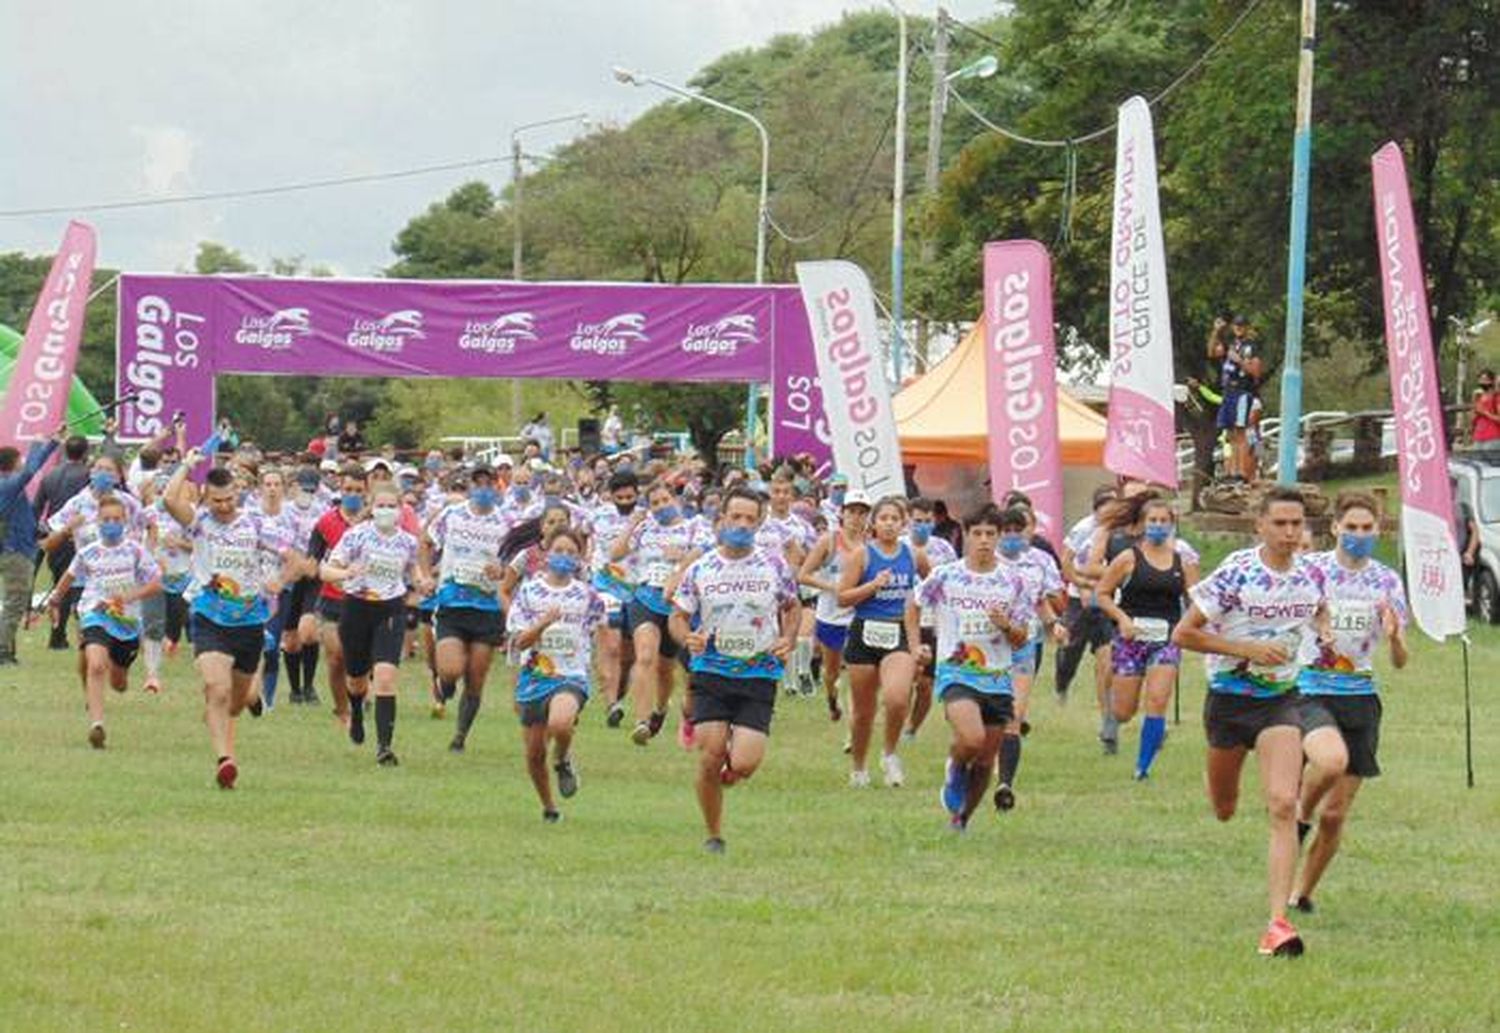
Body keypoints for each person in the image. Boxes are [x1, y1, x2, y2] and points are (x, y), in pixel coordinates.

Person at [1173, 487, 1329, 957]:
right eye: (1279, 524)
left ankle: (1277, 924)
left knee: (1283, 805)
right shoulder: (1237, 573)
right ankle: (1220, 783)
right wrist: (1246, 650)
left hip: (1280, 701)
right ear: (1259, 525)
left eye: (1296, 524)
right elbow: (1185, 634)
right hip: (1228, 700)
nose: (1288, 532)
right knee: (1224, 806)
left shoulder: (1312, 574)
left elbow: (1318, 606)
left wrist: (1322, 628)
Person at [1290, 491, 1408, 913]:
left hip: (1360, 697)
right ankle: (1299, 815)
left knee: (1337, 814)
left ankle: (1302, 892)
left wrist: (1395, 637)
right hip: (1310, 690)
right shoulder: (1311, 570)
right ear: (1336, 527)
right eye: (1352, 527)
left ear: (1378, 530)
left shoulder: (1387, 581)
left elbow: (1399, 661)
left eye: (1367, 528)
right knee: (1328, 761)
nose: (1359, 535)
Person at [669, 487, 801, 853]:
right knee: (711, 754)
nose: (742, 525)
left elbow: (792, 607)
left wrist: (788, 638)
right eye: (736, 517)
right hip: (711, 672)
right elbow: (677, 616)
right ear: (722, 520)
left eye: (749, 519)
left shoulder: (773, 566)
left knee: (743, 763)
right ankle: (714, 834)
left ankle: (725, 774)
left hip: (759, 674)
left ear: (759, 523)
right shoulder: (701, 568)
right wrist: (687, 637)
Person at [164, 454, 297, 789]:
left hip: (249, 621)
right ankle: (225, 760)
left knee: (235, 702)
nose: (222, 507)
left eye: (228, 500)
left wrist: (279, 582)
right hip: (209, 616)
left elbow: (294, 559)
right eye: (216, 500)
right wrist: (186, 465)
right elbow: (168, 500)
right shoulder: (199, 522)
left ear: (237, 495)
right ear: (206, 498)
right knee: (215, 689)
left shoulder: (255, 526)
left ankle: (252, 697)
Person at [910, 504, 1040, 830]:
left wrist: (1006, 625)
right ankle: (955, 768)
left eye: (990, 534)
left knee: (985, 760)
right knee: (971, 739)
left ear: (998, 537)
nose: (984, 540)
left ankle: (961, 818)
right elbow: (913, 605)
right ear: (965, 536)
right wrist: (915, 646)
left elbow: (1022, 638)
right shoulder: (947, 575)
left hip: (997, 678)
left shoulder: (1014, 581)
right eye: (977, 533)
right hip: (957, 671)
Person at [321, 484, 428, 766]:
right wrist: (345, 572)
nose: (386, 511)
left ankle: (384, 747)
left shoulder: (408, 541)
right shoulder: (356, 535)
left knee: (384, 677)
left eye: (392, 506)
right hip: (356, 607)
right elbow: (326, 570)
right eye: (380, 505)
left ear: (400, 509)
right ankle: (356, 709)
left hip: (390, 608)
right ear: (371, 506)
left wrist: (420, 580)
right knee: (356, 679)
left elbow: (413, 567)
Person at [1094, 496, 1200, 780]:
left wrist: (1195, 627)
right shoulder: (1128, 558)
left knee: (1157, 700)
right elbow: (1101, 594)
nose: (1157, 526)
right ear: (1142, 524)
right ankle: (1111, 717)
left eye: (1163, 521)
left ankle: (1142, 768)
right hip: (1130, 640)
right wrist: (1122, 619)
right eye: (1152, 521)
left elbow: (1196, 599)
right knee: (1124, 710)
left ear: (1172, 525)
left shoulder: (1183, 561)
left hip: (1166, 639)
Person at [46, 494, 163, 748]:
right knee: (96, 664)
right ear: (98, 522)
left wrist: (130, 595)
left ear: (125, 521)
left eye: (116, 519)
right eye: (106, 519)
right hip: (95, 613)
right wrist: (54, 600)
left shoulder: (135, 551)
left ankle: (118, 670)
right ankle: (97, 725)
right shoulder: (89, 552)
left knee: (118, 683)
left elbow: (156, 583)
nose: (111, 523)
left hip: (127, 622)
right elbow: (69, 576)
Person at [507, 528, 606, 822]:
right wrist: (543, 624)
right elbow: (519, 642)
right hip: (535, 676)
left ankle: (562, 759)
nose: (564, 557)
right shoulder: (528, 592)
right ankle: (549, 807)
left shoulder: (587, 596)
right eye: (559, 551)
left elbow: (599, 635)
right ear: (546, 554)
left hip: (571, 675)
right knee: (535, 753)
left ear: (579, 559)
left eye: (571, 553)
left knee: (561, 724)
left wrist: (604, 672)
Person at [837, 495, 928, 787]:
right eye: (883, 518)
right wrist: (872, 586)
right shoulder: (861, 556)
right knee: (863, 713)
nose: (889, 524)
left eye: (894, 519)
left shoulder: (914, 555)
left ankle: (889, 754)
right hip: (864, 633)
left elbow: (935, 584)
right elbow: (842, 598)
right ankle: (859, 767)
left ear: (904, 524)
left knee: (897, 698)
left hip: (898, 632)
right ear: (873, 523)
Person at [424, 464, 515, 752]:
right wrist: (426, 575)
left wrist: (500, 571)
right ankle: (444, 684)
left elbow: (515, 565)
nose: (484, 489)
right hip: (453, 602)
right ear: (470, 487)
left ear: (497, 488)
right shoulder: (452, 515)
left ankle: (460, 735)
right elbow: (425, 541)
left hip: (487, 608)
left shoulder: (507, 522)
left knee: (476, 676)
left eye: (490, 484)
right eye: (479, 484)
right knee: (451, 669)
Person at [614, 480, 700, 746]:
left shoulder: (693, 526)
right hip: (645, 599)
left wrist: (681, 563)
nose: (661, 507)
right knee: (646, 656)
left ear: (675, 500)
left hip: (677, 605)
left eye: (665, 500)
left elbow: (703, 552)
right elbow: (615, 554)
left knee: (666, 669)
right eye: (655, 503)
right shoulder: (645, 529)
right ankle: (640, 721)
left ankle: (660, 710)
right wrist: (631, 524)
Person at [304, 467, 369, 730]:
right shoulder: (325, 523)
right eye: (348, 490)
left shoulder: (374, 523)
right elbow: (313, 560)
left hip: (367, 600)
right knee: (336, 657)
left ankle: (360, 697)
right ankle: (342, 710)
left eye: (358, 491)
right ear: (340, 490)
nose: (352, 495)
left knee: (361, 659)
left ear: (366, 492)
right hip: (332, 600)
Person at [799, 491, 870, 722]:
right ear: (842, 513)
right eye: (852, 512)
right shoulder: (828, 541)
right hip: (830, 616)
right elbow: (803, 575)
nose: (856, 518)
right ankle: (831, 697)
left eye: (862, 513)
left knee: (855, 671)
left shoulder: (872, 544)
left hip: (859, 616)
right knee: (831, 672)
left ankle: (853, 725)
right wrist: (832, 586)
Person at [0, 427, 61, 664]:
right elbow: (30, 471)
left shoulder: (8, 486)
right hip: (15, 551)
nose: (22, 462)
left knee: (12, 601)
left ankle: (7, 650)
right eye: (19, 459)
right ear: (11, 465)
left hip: (11, 548)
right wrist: (44, 443)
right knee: (15, 602)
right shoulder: (7, 485)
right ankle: (3, 652)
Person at [904, 497, 959, 740]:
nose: (922, 526)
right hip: (905, 619)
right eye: (917, 521)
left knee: (925, 684)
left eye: (927, 521)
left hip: (934, 622)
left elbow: (953, 586)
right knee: (907, 676)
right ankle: (898, 720)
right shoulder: (898, 545)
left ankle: (912, 729)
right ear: (907, 520)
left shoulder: (944, 549)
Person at [1209, 315, 1264, 482]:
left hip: (1245, 394)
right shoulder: (1232, 344)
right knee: (1233, 435)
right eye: (1236, 325)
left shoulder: (1251, 347)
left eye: (1242, 325)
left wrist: (1239, 361)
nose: (1238, 328)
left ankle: (1247, 471)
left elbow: (1256, 372)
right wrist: (1216, 331)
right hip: (1230, 394)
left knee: (1248, 433)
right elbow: (1212, 352)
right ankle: (1233, 471)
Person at [1470, 369, 1500, 444]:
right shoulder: (1479, 397)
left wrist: (1485, 413)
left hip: (1493, 439)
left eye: (1485, 380)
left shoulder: (1497, 397)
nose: (1482, 382)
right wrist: (1475, 409)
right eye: (1480, 380)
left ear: (1492, 381)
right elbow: (1472, 420)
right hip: (1478, 439)